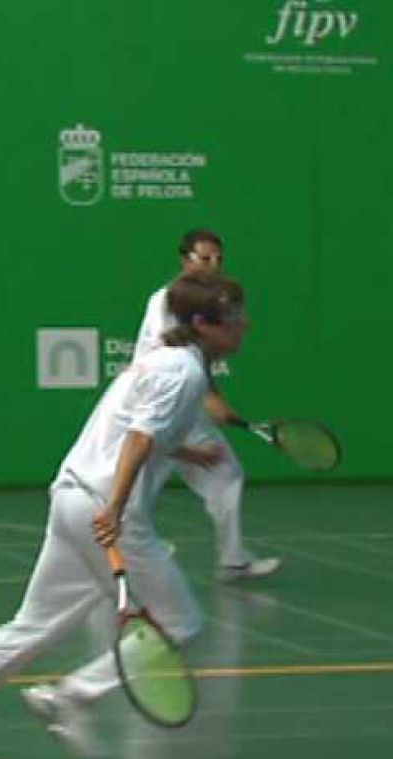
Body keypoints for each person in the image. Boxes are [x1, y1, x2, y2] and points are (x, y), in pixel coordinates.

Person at [0, 272, 252, 759]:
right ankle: (74, 695)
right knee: (181, 623)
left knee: (32, 625)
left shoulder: (162, 363)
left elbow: (138, 429)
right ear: (201, 324)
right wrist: (117, 508)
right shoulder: (183, 373)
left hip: (70, 496)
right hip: (107, 509)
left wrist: (183, 449)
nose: (244, 326)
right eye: (233, 318)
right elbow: (139, 440)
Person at [135, 230, 279, 582]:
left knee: (225, 474)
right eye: (204, 258)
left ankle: (233, 561)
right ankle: (118, 556)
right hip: (156, 403)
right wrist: (210, 398)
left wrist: (209, 397)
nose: (213, 264)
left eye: (218, 258)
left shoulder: (212, 302)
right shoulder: (167, 300)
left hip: (187, 406)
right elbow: (172, 353)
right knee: (139, 485)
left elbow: (200, 356)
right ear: (185, 260)